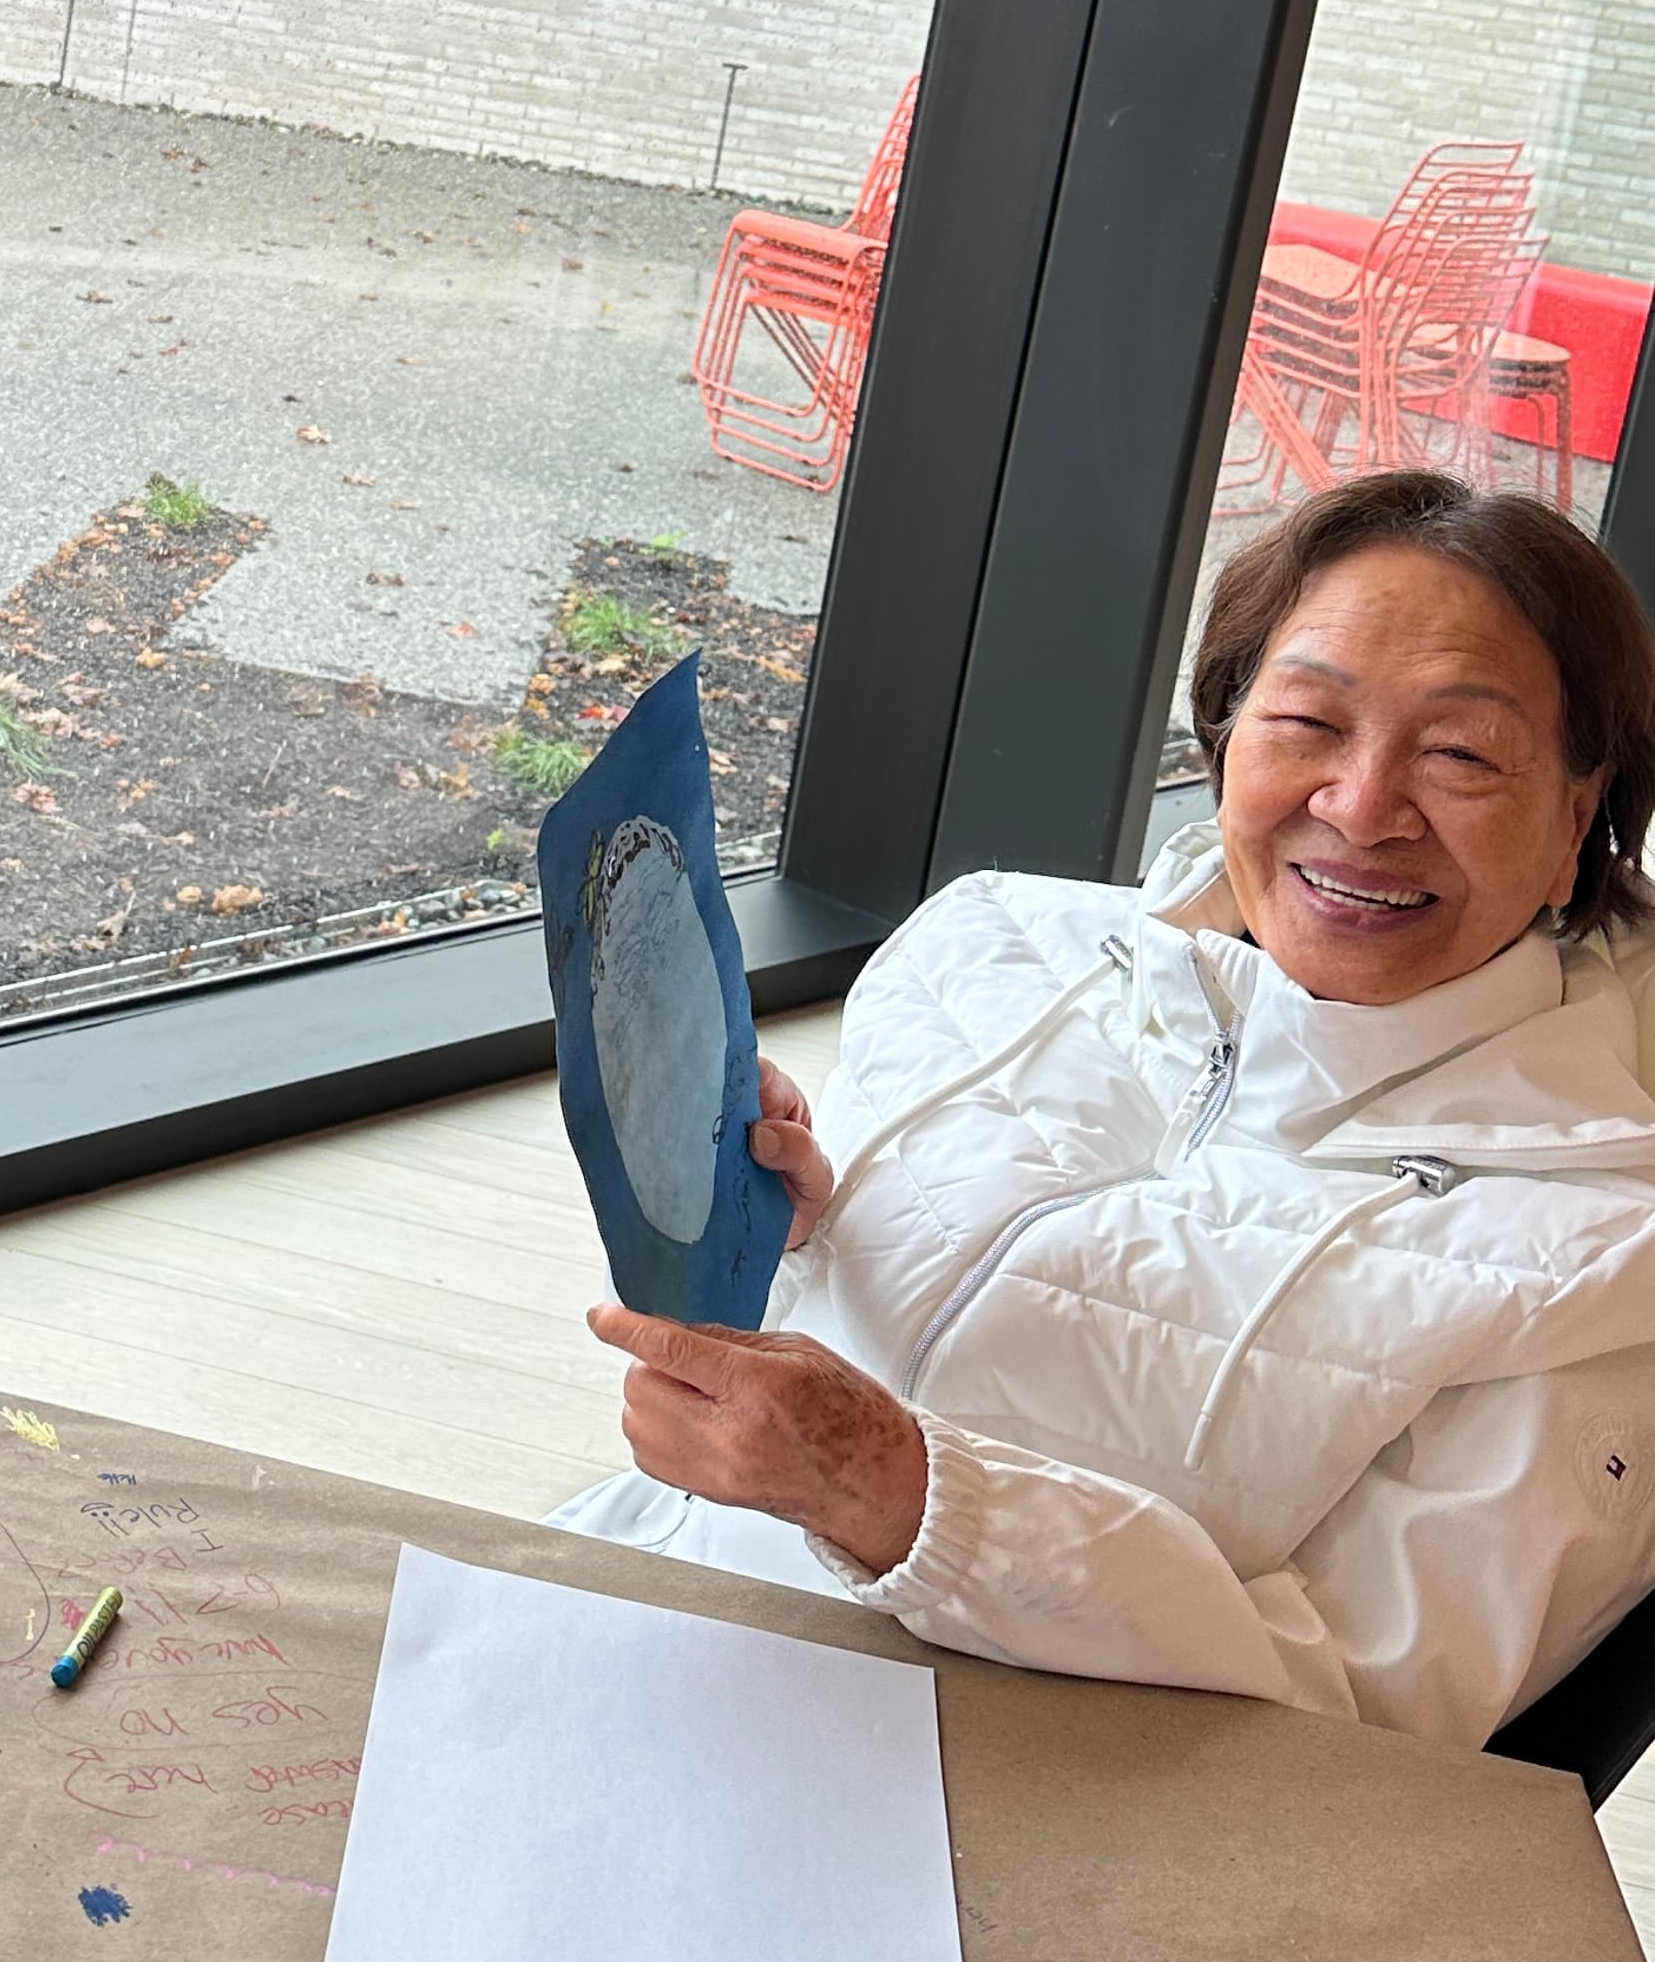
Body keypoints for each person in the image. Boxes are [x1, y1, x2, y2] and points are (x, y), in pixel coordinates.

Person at [560, 468, 1655, 1743]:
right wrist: (795, 1225)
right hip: (649, 1602)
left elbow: (1366, 1717)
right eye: (1308, 721)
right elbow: (866, 1332)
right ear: (1225, 741)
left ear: (1577, 820)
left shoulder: (1601, 1260)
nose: (1361, 808)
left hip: (1010, 1805)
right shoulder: (991, 946)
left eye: (1461, 753)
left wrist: (906, 1499)